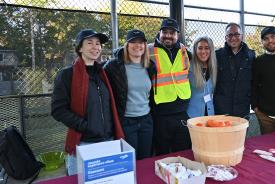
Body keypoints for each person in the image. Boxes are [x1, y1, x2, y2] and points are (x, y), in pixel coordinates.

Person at [51, 29, 124, 175]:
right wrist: (86, 126)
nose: (95, 47)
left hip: (109, 141)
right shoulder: (67, 75)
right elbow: (58, 110)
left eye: (98, 44)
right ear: (79, 48)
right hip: (84, 142)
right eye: (89, 43)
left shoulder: (103, 73)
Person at [104, 29, 155, 160]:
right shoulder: (114, 66)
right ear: (127, 45)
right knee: (129, 160)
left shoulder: (150, 66)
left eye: (141, 42)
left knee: (145, 159)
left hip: (146, 120)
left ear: (145, 46)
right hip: (126, 121)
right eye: (133, 42)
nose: (138, 45)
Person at [149, 18, 192, 155]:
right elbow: (127, 52)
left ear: (177, 35)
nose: (168, 35)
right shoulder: (148, 50)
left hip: (181, 110)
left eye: (172, 33)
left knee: (183, 151)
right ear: (159, 33)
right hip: (160, 112)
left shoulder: (184, 51)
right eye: (165, 32)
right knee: (162, 152)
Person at [214, 22, 256, 118]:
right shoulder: (217, 55)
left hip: (242, 109)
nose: (233, 38)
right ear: (225, 38)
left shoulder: (251, 56)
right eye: (230, 35)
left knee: (241, 133)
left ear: (241, 36)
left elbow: (254, 81)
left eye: (236, 34)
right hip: (222, 109)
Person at [187, 36, 217, 118]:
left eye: (207, 48)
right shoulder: (188, 67)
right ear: (195, 50)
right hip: (192, 115)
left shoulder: (214, 67)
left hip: (210, 114)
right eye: (200, 48)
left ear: (211, 50)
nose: (203, 51)